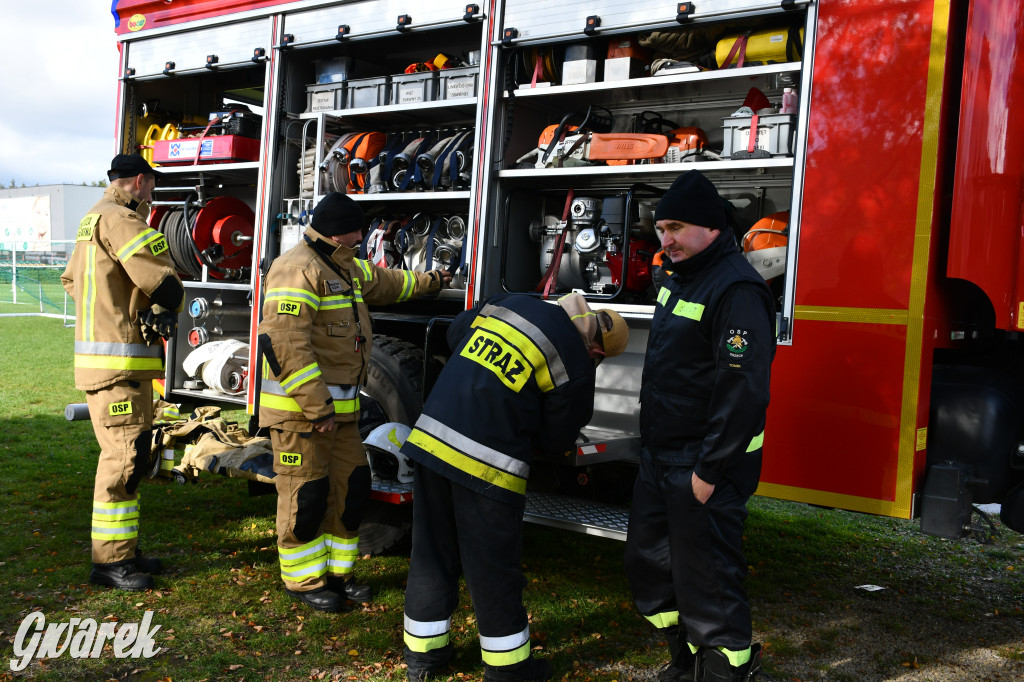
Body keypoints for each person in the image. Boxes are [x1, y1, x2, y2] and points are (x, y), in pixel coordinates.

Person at [400, 292, 629, 681]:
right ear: (596, 349)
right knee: (493, 568)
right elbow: (558, 438)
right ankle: (508, 671)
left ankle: (424, 658)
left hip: (430, 442)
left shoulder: (516, 303)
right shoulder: (574, 358)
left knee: (431, 554)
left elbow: (456, 333)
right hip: (486, 465)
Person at [257, 192, 451, 613]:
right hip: (303, 417)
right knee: (306, 496)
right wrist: (318, 408)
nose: (362, 236)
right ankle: (304, 581)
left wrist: (431, 281)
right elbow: (285, 345)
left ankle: (338, 576)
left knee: (350, 490)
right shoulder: (296, 269)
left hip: (342, 418)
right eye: (356, 229)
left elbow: (387, 282)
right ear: (336, 230)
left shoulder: (341, 264)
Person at [624, 170, 776, 682]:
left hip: (705, 466)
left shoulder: (737, 291)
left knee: (708, 578)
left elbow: (742, 394)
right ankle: (684, 660)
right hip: (661, 457)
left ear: (711, 228)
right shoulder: (678, 275)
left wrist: (708, 472)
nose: (664, 239)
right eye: (661, 227)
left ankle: (725, 669)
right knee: (653, 567)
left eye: (676, 228)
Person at [61, 153, 185, 591]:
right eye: (151, 185)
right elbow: (161, 282)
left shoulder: (90, 219)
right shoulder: (123, 220)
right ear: (138, 181)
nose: (152, 193)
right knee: (124, 460)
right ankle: (109, 563)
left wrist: (118, 311)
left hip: (104, 363)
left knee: (127, 458)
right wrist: (164, 304)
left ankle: (123, 553)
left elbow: (72, 282)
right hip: (121, 366)